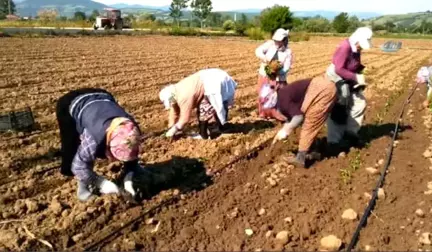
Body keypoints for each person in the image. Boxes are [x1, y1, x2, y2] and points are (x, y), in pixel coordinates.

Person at [56, 88, 144, 201]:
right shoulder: (93, 137)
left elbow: (130, 150)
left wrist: (128, 179)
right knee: (72, 147)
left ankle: (128, 174)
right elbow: (79, 166)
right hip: (70, 103)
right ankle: (83, 191)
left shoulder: (131, 129)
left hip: (102, 96)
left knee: (127, 145)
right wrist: (101, 183)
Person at [270, 75, 337, 168]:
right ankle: (314, 151)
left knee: (310, 122)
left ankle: (300, 159)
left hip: (322, 91)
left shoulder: (282, 101)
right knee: (311, 122)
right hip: (322, 86)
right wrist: (284, 128)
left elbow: (298, 117)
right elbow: (293, 116)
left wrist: (285, 131)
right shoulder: (281, 96)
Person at [325, 27, 373, 151]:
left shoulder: (356, 48)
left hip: (348, 76)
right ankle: (334, 141)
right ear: (356, 39)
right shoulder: (345, 47)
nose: (361, 48)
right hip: (336, 77)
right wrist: (355, 77)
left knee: (359, 102)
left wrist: (361, 68)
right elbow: (339, 69)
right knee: (339, 107)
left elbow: (353, 64)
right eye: (360, 45)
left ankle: (350, 132)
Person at [159, 68, 237, 140]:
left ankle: (222, 130)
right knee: (204, 108)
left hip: (214, 81)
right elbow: (174, 110)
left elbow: (184, 119)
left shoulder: (184, 96)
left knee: (215, 107)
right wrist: (170, 127)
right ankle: (204, 134)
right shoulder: (175, 92)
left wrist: (174, 129)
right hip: (210, 79)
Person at [255, 28, 293, 119]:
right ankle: (264, 114)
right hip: (265, 75)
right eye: (275, 40)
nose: (276, 42)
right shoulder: (269, 44)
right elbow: (258, 51)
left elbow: (287, 67)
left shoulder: (288, 52)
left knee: (278, 96)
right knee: (263, 94)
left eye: (279, 41)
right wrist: (265, 59)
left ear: (284, 40)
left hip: (278, 78)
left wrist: (277, 71)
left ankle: (277, 114)